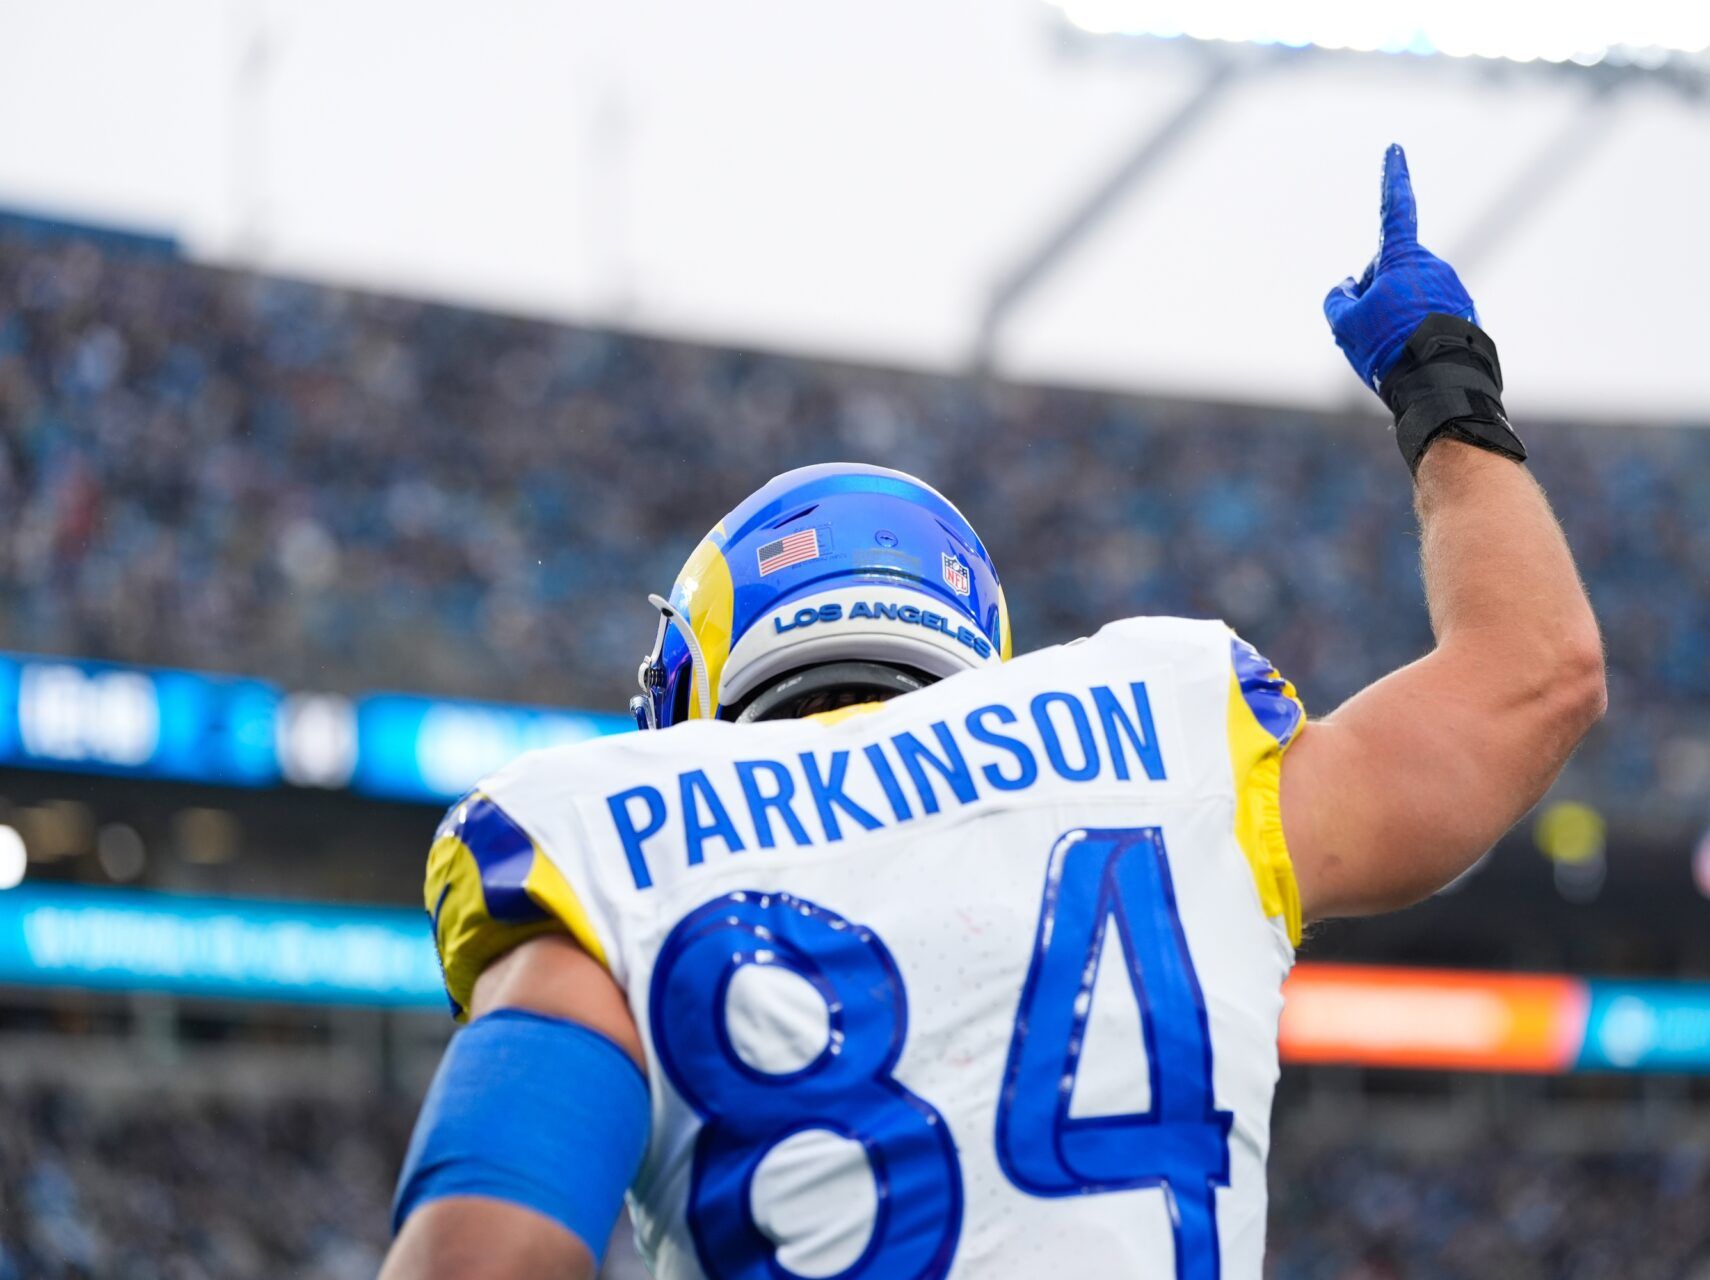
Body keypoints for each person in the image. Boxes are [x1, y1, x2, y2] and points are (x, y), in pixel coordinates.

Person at [381, 144, 1605, 1280]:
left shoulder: (605, 839)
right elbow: (1536, 673)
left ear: (698, 674)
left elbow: (482, 1253)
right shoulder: (1178, 747)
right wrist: (1442, 379)